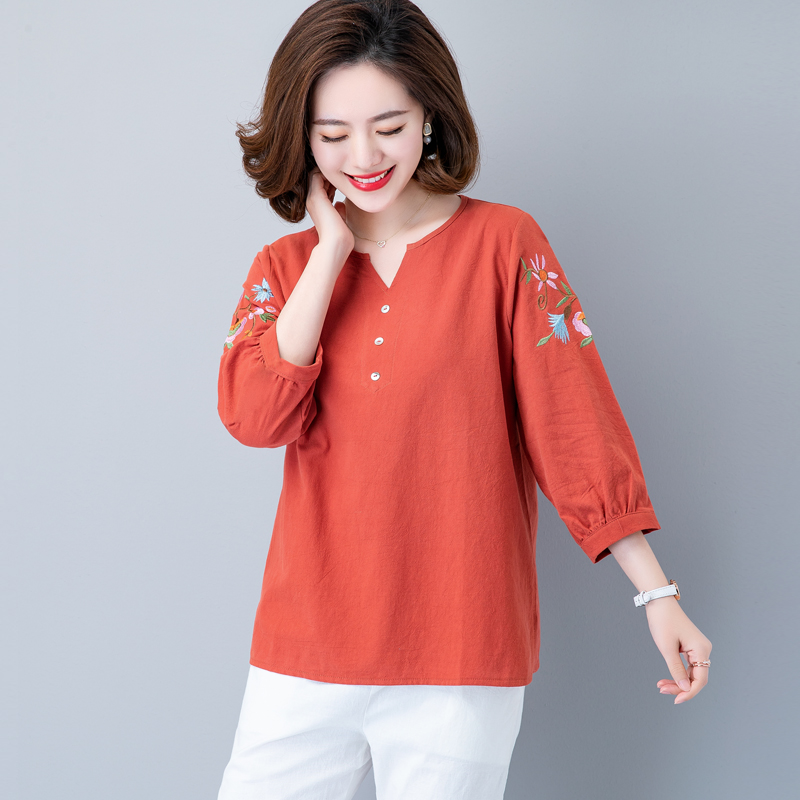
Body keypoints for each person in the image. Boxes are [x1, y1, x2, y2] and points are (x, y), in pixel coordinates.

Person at [215, 1, 712, 798]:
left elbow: (574, 427)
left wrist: (657, 594)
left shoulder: (504, 244)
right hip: (303, 647)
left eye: (388, 126)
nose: (363, 157)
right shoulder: (285, 267)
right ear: (301, 138)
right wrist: (330, 251)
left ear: (430, 117)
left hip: (460, 654)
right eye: (332, 135)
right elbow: (254, 417)